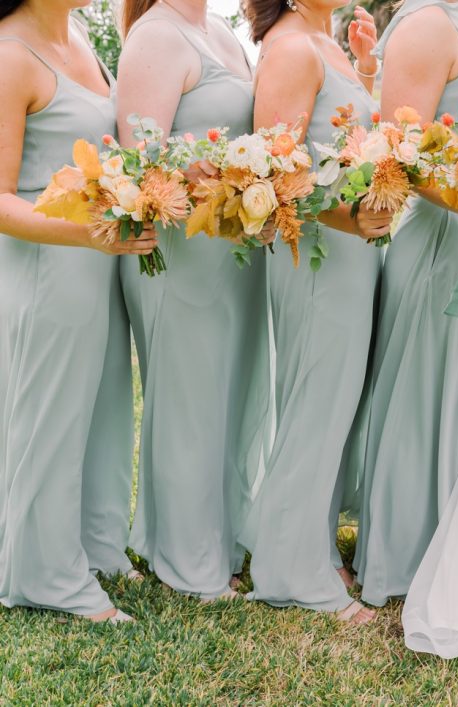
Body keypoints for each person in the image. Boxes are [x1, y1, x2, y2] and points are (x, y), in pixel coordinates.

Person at [0, 0, 157, 622]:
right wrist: (90, 233)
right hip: (48, 264)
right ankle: (46, 576)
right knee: (52, 416)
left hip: (97, 262)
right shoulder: (10, 56)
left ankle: (94, 547)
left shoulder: (83, 40)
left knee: (104, 409)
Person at [240, 0, 392, 625]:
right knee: (315, 402)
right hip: (318, 253)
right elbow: (274, 175)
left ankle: (315, 545)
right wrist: (349, 218)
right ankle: (290, 571)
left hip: (353, 253)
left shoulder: (323, 45)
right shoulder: (291, 48)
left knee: (335, 406)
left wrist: (366, 69)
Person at [117, 0, 270, 600]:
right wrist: (217, 172)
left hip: (234, 249)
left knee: (227, 396)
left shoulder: (223, 32)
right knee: (188, 401)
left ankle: (221, 536)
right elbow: (137, 160)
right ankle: (187, 562)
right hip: (182, 250)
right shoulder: (155, 37)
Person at [350, 0, 458, 609]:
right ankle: (405, 554)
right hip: (441, 242)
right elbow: (397, 155)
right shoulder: (428, 23)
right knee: (422, 398)